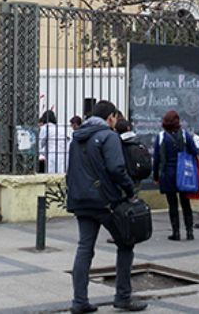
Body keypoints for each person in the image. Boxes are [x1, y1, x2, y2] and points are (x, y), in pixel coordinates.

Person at [66, 100, 146, 313]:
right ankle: (123, 297)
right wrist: (129, 191)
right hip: (105, 202)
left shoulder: (77, 137)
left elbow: (71, 170)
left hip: (81, 200)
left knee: (85, 248)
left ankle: (79, 301)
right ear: (111, 117)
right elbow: (117, 169)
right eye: (115, 118)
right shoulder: (109, 136)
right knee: (126, 243)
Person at [152, 110, 199, 241]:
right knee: (185, 203)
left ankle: (176, 232)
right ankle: (189, 231)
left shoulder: (161, 136)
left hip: (168, 173)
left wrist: (156, 176)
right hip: (183, 173)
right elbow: (194, 151)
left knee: (172, 204)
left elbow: (157, 159)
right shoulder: (185, 135)